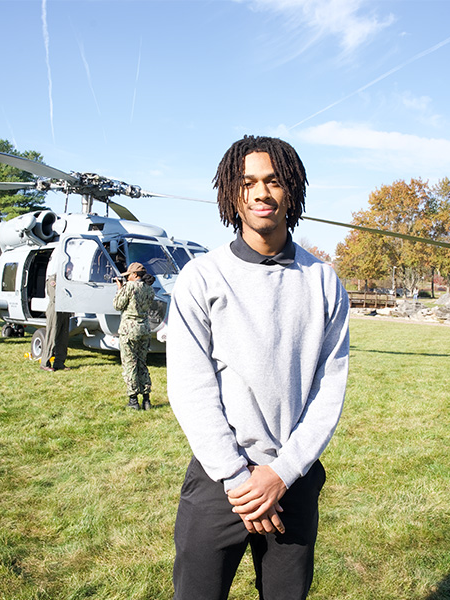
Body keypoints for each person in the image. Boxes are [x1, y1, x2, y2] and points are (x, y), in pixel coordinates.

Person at [167, 136, 350, 599]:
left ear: (292, 189)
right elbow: (191, 387)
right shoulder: (201, 277)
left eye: (272, 181)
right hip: (218, 482)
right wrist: (238, 478)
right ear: (233, 193)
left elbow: (329, 389)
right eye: (247, 182)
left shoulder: (324, 281)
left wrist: (282, 473)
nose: (260, 193)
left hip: (293, 480)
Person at [113, 261, 155, 410]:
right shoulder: (149, 289)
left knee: (130, 365)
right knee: (142, 364)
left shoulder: (129, 287)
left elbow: (118, 305)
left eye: (129, 275)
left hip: (129, 330)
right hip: (144, 329)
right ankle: (146, 400)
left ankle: (133, 401)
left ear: (135, 275)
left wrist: (120, 289)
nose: (128, 277)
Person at [40, 254, 71, 371]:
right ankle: (45, 362)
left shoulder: (68, 281)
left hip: (65, 309)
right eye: (68, 268)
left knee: (63, 336)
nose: (70, 270)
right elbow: (54, 296)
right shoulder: (53, 279)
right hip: (55, 308)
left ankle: (59, 362)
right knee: (52, 335)